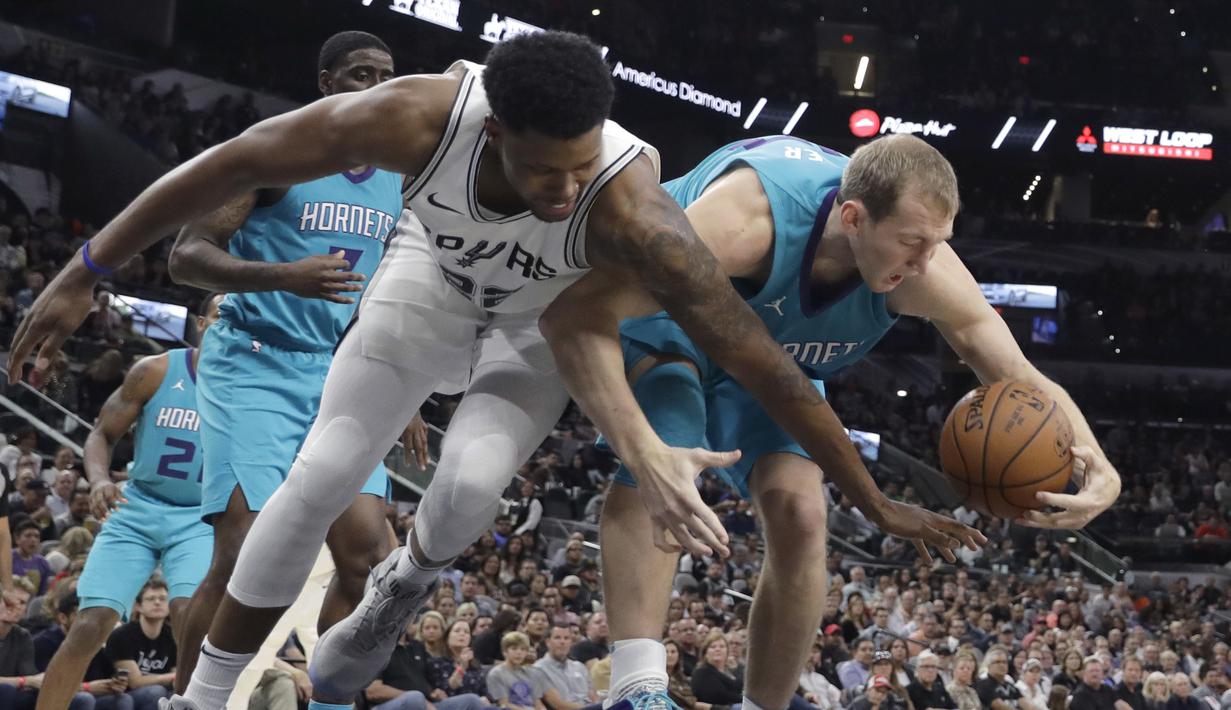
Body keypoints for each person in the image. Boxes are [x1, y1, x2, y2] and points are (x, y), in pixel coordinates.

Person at [11, 32, 971, 710]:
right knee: (315, 484)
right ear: (495, 131)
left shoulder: (634, 205)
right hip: (427, 279)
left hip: (542, 322)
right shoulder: (417, 118)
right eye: (544, 171)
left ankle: (405, 581)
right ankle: (205, 696)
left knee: (467, 489)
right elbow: (223, 165)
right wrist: (83, 271)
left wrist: (870, 499)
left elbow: (765, 366)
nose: (563, 191)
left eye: (578, 169)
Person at [556, 130, 1122, 710]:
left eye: (938, 242)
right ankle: (635, 687)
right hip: (670, 317)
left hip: (775, 362)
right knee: (670, 438)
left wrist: (1098, 464)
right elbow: (584, 311)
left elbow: (1015, 374)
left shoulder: (924, 266)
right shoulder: (746, 220)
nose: (926, 262)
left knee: (802, 513)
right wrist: (638, 443)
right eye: (911, 242)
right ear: (853, 217)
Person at [160, 31, 425, 702]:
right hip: (252, 360)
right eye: (358, 73)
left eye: (386, 75)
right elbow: (185, 256)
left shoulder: (401, 179)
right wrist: (284, 275)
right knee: (242, 548)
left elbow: (379, 292)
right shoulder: (280, 154)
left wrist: (409, 392)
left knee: (368, 559)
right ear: (326, 83)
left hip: (341, 373)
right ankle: (192, 700)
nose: (374, 85)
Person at [35, 295, 221, 710]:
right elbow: (101, 433)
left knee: (189, 621)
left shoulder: (251, 386)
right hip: (136, 508)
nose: (228, 325)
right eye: (220, 315)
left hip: (197, 517)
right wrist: (99, 479)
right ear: (201, 322)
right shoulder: (156, 370)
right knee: (89, 625)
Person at [32, 590, 129, 710]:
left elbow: (107, 675)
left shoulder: (95, 639)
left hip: (94, 697)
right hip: (56, 700)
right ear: (63, 618)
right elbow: (43, 683)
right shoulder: (43, 642)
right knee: (84, 698)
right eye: (81, 615)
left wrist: (115, 683)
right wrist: (87, 687)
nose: (90, 621)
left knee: (123, 699)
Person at [364, 617, 485, 710]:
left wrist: (434, 692)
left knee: (471, 700)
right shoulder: (378, 648)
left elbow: (433, 682)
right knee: (415, 698)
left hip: (426, 704)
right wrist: (420, 699)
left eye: (410, 613)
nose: (408, 616)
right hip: (389, 705)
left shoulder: (417, 646)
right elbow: (373, 691)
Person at [106, 579, 178, 708]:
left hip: (162, 692)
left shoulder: (174, 635)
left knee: (177, 696)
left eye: (163, 599)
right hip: (124, 695)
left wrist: (173, 678)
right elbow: (135, 682)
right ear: (138, 606)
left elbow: (177, 679)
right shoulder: (121, 636)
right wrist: (171, 677)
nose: (157, 602)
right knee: (156, 692)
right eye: (151, 599)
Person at [534, 624, 597, 710]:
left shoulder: (580, 667)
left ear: (571, 642)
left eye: (566, 638)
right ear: (548, 642)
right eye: (557, 638)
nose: (562, 642)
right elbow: (558, 704)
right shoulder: (538, 669)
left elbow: (593, 697)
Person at [426, 620, 488, 700]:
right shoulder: (436, 663)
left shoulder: (476, 665)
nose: (462, 634)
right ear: (447, 637)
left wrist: (485, 699)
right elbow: (447, 691)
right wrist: (462, 667)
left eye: (466, 632)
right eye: (457, 631)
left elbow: (484, 691)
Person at [487, 632, 544, 710]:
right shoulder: (496, 674)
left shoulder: (531, 673)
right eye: (514, 648)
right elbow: (504, 704)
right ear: (505, 652)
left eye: (523, 649)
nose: (519, 653)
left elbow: (538, 703)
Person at [11, 520, 51, 596]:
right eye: (28, 536)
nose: (33, 540)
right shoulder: (6, 559)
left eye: (36, 536)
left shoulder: (43, 563)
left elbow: (42, 594)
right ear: (17, 539)